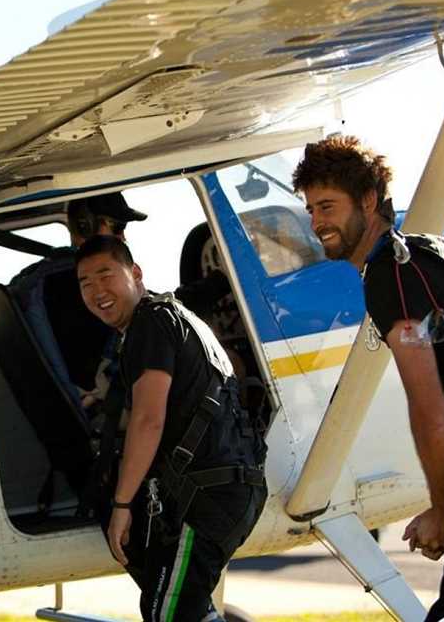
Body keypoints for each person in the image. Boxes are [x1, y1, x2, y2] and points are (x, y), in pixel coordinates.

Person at [294, 134, 444, 621]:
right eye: (310, 210)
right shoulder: (428, 251)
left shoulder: (391, 277)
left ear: (368, 200)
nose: (317, 222)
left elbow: (427, 406)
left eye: (328, 206)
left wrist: (443, 511)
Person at [75, 235, 267, 622]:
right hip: (223, 489)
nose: (98, 291)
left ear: (136, 273)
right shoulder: (170, 317)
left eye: (105, 275)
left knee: (168, 614)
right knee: (180, 610)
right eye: (86, 284)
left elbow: (149, 419)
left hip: (206, 496)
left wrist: (123, 505)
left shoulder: (150, 324)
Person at [9, 193, 147, 410]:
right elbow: (145, 328)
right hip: (111, 403)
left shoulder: (43, 279)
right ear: (85, 227)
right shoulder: (75, 286)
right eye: (118, 228)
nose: (123, 238)